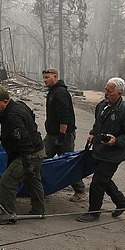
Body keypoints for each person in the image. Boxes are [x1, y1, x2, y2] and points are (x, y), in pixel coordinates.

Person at [77, 77, 125, 222]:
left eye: (109, 91)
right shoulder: (102, 106)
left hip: (113, 155)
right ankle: (121, 201)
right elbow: (98, 124)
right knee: (104, 179)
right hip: (99, 150)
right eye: (105, 90)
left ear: (119, 93)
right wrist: (93, 133)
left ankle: (94, 212)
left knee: (97, 182)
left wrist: (116, 141)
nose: (106, 93)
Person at [0, 86, 46, 224]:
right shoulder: (19, 105)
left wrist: (27, 163)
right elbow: (32, 117)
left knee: (7, 180)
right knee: (33, 179)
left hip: (29, 153)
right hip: (37, 150)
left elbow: (24, 140)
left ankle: (7, 215)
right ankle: (39, 210)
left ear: (5, 101)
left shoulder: (13, 116)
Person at [42, 67, 87, 202]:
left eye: (47, 77)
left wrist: (61, 136)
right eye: (43, 78)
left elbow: (64, 116)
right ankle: (41, 188)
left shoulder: (60, 93)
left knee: (68, 163)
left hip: (64, 135)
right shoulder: (52, 92)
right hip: (51, 135)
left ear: (55, 77)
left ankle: (80, 191)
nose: (44, 80)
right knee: (41, 159)